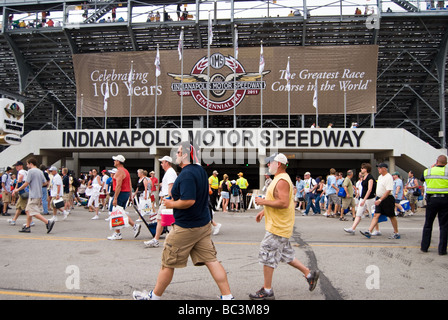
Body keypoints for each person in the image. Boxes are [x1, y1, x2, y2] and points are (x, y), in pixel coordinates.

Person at [133, 142, 234, 300]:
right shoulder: (199, 170)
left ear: (186, 155)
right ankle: (227, 297)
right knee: (211, 260)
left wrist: (170, 203)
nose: (176, 154)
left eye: (179, 152)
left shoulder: (187, 174)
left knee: (168, 262)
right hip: (203, 225)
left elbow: (189, 201)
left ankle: (154, 297)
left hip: (186, 227)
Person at [250, 153, 319, 300]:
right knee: (286, 255)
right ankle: (309, 273)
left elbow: (283, 203)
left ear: (278, 164)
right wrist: (264, 211)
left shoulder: (282, 180)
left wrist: (262, 203)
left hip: (278, 227)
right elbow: (277, 200)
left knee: (267, 254)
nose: (268, 165)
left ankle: (267, 291)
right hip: (280, 225)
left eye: (270, 163)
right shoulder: (278, 179)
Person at [12, 158, 54, 234]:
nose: (27, 165)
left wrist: (17, 189)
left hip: (33, 194)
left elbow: (26, 183)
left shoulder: (30, 171)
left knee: (32, 211)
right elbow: (45, 183)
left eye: (27, 164)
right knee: (28, 210)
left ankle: (48, 222)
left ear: (31, 164)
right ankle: (27, 226)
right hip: (38, 194)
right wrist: (37, 184)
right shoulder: (40, 171)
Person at [361, 163, 400, 239]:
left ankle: (396, 232)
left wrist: (380, 199)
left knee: (391, 216)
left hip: (387, 199)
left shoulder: (388, 177)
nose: (378, 169)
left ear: (385, 168)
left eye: (380, 168)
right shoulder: (380, 177)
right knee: (376, 215)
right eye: (378, 168)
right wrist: (377, 197)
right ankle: (369, 231)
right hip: (379, 198)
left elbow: (388, 190)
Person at [144, 156, 177, 248]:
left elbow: (171, 185)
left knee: (163, 219)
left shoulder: (170, 172)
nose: (161, 164)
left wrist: (169, 198)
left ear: (167, 162)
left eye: (162, 162)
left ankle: (157, 240)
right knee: (164, 220)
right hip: (167, 197)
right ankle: (157, 239)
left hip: (167, 198)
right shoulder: (170, 172)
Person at [107, 155, 141, 240]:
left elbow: (118, 185)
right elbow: (129, 185)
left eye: (115, 160)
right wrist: (130, 196)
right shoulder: (126, 171)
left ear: (118, 161)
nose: (114, 161)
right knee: (119, 212)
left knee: (114, 212)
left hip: (120, 193)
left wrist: (115, 198)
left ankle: (119, 232)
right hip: (125, 193)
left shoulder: (119, 171)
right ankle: (121, 231)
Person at [420, 155, 448, 255]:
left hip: (432, 200)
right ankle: (442, 250)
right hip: (445, 200)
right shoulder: (446, 171)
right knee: (444, 225)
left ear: (436, 161)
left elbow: (421, 179)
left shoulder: (428, 171)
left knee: (428, 223)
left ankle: (424, 247)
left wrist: (432, 167)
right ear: (446, 163)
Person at [344, 163, 379, 235]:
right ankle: (353, 228)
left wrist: (364, 199)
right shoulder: (364, 177)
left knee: (372, 215)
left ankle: (377, 230)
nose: (361, 169)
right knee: (358, 214)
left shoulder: (370, 178)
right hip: (363, 198)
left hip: (370, 199)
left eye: (363, 168)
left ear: (366, 169)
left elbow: (369, 189)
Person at [8, 161, 28, 225]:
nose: (16, 167)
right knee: (19, 207)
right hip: (25, 191)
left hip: (22, 191)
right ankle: (14, 220)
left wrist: (15, 189)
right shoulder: (26, 172)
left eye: (18, 165)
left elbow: (20, 180)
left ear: (21, 166)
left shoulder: (21, 172)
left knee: (25, 207)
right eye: (16, 166)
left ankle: (30, 221)